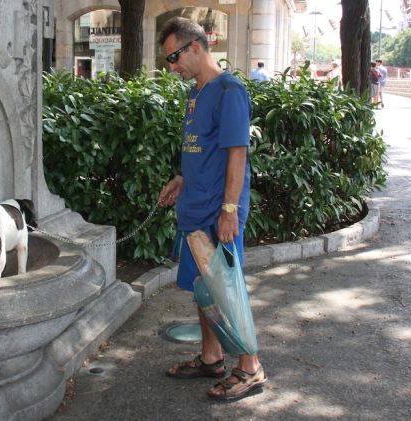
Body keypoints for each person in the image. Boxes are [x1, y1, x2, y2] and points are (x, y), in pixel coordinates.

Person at [156, 17, 266, 401]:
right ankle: (212, 357)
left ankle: (250, 367)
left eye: (174, 56)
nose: (172, 66)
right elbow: (203, 150)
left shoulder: (228, 90)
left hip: (217, 212)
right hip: (194, 207)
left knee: (225, 291)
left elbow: (237, 152)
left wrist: (230, 209)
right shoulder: (196, 93)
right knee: (205, 288)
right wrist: (181, 179)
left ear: (196, 47)